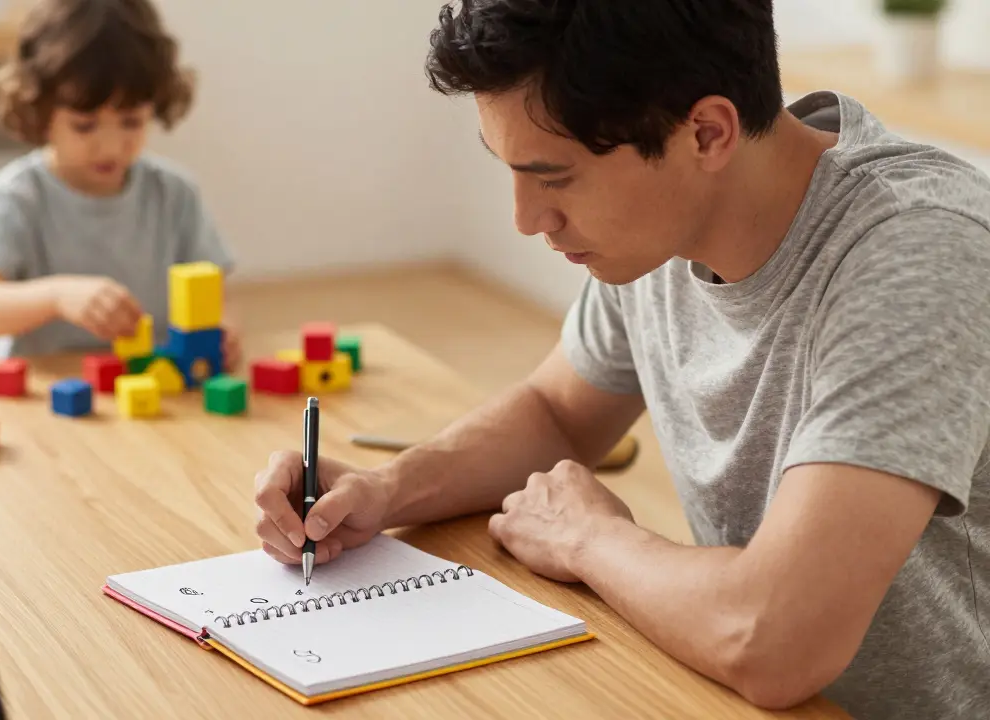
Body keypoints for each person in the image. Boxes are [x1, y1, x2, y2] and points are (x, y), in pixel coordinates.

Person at [252, 2, 990, 718]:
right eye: (509, 171)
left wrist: (589, 537)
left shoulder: (919, 254)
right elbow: (559, 415)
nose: (525, 220)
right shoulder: (667, 228)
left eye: (555, 177)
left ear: (705, 133)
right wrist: (386, 490)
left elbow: (773, 638)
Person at [0, 0, 239, 366]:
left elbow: (219, 296)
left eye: (131, 122)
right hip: (44, 398)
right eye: (84, 126)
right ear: (40, 109)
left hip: (154, 391)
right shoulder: (14, 198)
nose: (111, 146)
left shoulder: (175, 194)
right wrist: (56, 297)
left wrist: (224, 329)